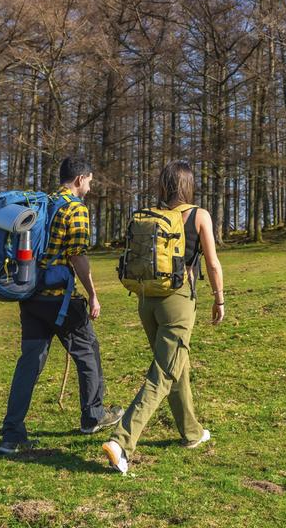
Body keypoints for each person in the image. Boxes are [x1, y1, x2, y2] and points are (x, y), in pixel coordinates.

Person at [102, 160, 225, 474]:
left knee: (175, 366)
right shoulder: (199, 215)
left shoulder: (151, 217)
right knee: (163, 374)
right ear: (188, 185)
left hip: (146, 301)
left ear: (163, 186)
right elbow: (212, 263)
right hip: (178, 302)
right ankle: (121, 441)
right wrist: (219, 299)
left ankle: (192, 433)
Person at [0, 156, 123, 455]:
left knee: (29, 364)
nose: (90, 188)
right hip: (60, 301)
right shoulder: (75, 209)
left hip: (30, 295)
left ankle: (11, 434)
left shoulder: (41, 203)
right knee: (88, 352)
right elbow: (77, 255)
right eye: (90, 181)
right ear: (80, 179)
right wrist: (93, 293)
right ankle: (93, 416)